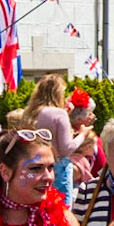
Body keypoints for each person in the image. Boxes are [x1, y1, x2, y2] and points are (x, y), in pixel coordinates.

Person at [22, 74, 93, 202]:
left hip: (34, 165)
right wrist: (83, 134)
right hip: (58, 168)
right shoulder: (59, 113)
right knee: (60, 211)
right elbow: (67, 148)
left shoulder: (30, 112)